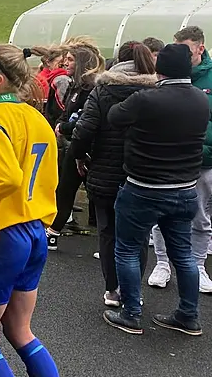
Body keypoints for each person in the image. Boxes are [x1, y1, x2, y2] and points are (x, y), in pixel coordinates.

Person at [0, 44, 84, 377]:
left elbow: (3, 179)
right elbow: (48, 178)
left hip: (4, 235)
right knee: (20, 330)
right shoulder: (36, 119)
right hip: (35, 230)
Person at [103, 44, 208, 337]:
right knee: (184, 255)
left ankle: (131, 312)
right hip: (185, 188)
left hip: (143, 188)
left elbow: (114, 116)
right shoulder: (201, 100)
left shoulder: (146, 99)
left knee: (127, 249)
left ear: (159, 68)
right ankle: (189, 315)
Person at [68, 41, 157, 307]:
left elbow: (84, 129)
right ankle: (132, 292)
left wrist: (79, 156)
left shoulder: (104, 90)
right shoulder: (154, 90)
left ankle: (113, 289)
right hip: (142, 173)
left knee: (108, 232)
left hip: (105, 171)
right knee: (137, 235)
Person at [149, 26, 212, 293]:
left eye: (187, 51)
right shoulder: (167, 77)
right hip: (170, 162)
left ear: (200, 48)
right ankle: (162, 263)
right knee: (161, 215)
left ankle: (198, 266)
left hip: (203, 161)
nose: (183, 57)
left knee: (200, 217)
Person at [46, 40, 105, 249]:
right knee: (65, 188)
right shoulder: (75, 86)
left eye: (70, 60)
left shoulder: (92, 88)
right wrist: (62, 124)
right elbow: (66, 115)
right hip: (75, 144)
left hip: (89, 146)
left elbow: (85, 119)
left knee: (96, 194)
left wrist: (65, 127)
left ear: (81, 62)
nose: (66, 63)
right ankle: (53, 232)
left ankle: (107, 241)